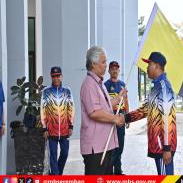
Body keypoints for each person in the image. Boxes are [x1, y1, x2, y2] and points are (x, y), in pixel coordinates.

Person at [124, 52, 177, 175]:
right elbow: (145, 109)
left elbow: (167, 118)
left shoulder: (164, 87)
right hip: (159, 145)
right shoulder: (156, 87)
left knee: (166, 180)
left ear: (157, 66)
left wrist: (167, 147)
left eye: (149, 64)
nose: (147, 68)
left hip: (163, 146)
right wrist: (125, 118)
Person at [80, 46, 126, 175]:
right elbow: (94, 112)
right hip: (96, 149)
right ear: (94, 64)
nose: (106, 65)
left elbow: (104, 105)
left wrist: (118, 98)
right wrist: (115, 118)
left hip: (103, 145)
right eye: (103, 62)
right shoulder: (89, 84)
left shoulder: (98, 83)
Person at [41, 67, 75, 175]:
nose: (56, 78)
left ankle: (57, 174)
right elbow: (43, 110)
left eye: (58, 76)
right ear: (51, 77)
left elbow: (71, 108)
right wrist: (44, 128)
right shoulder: (46, 92)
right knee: (53, 157)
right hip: (51, 130)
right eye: (54, 76)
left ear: (61, 76)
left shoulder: (67, 91)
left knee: (64, 153)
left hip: (65, 129)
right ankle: (56, 178)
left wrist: (71, 126)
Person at [104, 61, 129, 175]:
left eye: (116, 69)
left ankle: (118, 171)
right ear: (109, 71)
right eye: (112, 68)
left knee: (120, 144)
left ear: (119, 71)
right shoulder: (105, 85)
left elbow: (126, 101)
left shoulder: (123, 85)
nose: (114, 70)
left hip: (121, 118)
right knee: (111, 145)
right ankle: (109, 171)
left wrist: (127, 117)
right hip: (110, 118)